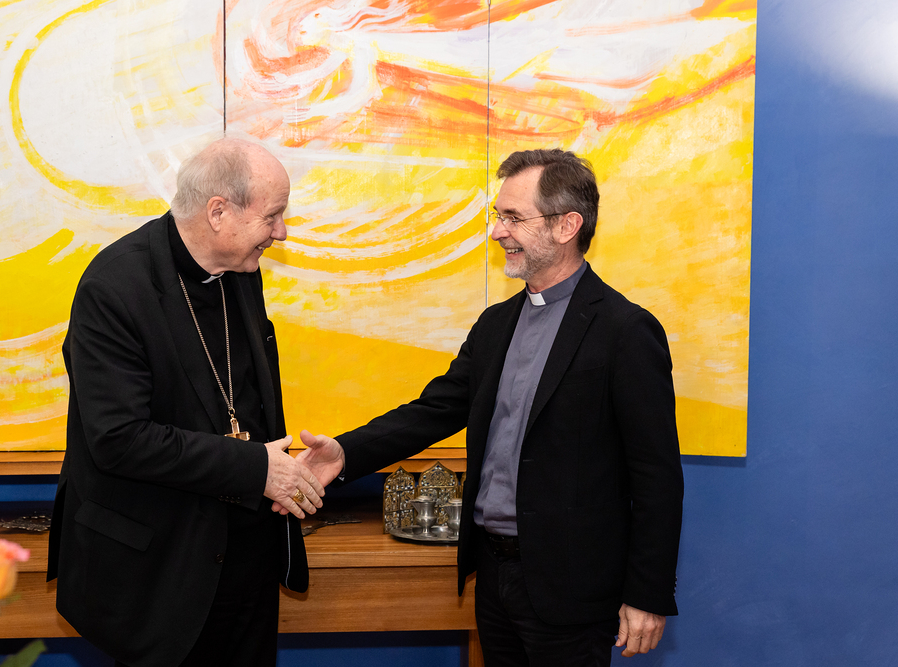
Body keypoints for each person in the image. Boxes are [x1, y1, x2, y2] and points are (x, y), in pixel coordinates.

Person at [295, 149, 684, 666]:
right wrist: (345, 453)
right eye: (499, 216)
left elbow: (657, 476)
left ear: (567, 225)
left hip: (571, 590)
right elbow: (433, 410)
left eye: (513, 217)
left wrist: (647, 594)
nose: (498, 231)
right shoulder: (496, 324)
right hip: (492, 578)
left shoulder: (626, 330)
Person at [47, 138, 330, 667]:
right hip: (159, 570)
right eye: (272, 216)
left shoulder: (240, 269)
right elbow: (119, 439)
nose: (282, 232)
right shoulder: (115, 286)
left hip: (245, 556)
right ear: (218, 212)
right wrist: (254, 467)